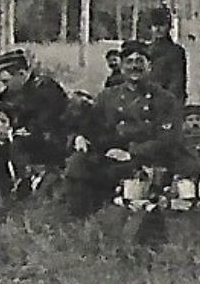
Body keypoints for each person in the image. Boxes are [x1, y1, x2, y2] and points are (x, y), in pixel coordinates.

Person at [64, 41, 184, 215]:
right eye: (129, 61)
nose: (134, 66)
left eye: (139, 61)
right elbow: (88, 125)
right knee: (77, 163)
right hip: (110, 154)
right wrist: (79, 137)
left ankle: (117, 211)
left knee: (122, 173)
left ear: (149, 66)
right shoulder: (108, 96)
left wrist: (132, 152)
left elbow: (169, 139)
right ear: (120, 65)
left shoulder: (165, 99)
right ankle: (80, 219)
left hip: (145, 158)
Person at [0, 49, 70, 166]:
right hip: (19, 139)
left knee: (18, 145)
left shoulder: (45, 89)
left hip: (49, 142)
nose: (4, 86)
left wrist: (16, 130)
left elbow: (48, 122)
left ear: (22, 74)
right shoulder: (7, 95)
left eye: (6, 81)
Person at [145, 7, 187, 102]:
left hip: (168, 100)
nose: (158, 29)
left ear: (168, 26)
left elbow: (177, 82)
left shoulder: (176, 51)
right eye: (155, 25)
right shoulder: (146, 50)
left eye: (162, 25)